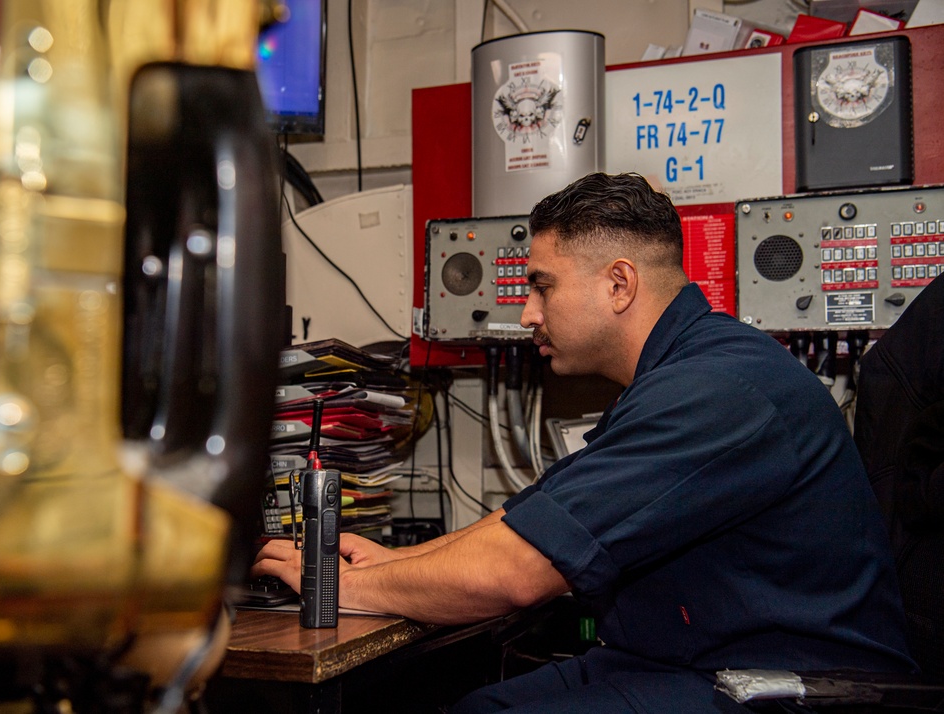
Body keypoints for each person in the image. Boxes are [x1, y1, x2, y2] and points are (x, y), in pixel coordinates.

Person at [252, 172, 915, 712]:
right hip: (679, 662)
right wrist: (386, 566)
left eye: (541, 285)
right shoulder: (676, 378)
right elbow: (525, 522)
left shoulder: (717, 390)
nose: (525, 313)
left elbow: (512, 571)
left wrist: (342, 591)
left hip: (780, 686)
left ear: (619, 283)